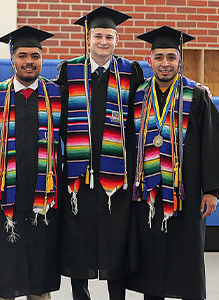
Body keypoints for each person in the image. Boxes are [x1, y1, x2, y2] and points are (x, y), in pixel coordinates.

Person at [126, 26, 219, 300]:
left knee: (187, 259)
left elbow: (211, 144)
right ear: (150, 59)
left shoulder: (197, 96)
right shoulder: (138, 96)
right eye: (159, 57)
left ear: (180, 60)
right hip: (150, 196)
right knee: (151, 259)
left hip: (185, 195)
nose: (165, 63)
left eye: (171, 57)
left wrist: (211, 191)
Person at [54, 6, 145, 300]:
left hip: (116, 174)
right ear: (87, 38)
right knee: (78, 237)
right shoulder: (69, 71)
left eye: (109, 36)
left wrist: (193, 86)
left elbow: (150, 100)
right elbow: (50, 102)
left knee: (115, 239)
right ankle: (80, 295)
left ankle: (116, 296)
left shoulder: (131, 72)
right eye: (98, 36)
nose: (103, 42)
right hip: (79, 175)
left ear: (117, 40)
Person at [0, 26, 63, 300]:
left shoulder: (57, 96)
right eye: (23, 55)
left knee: (40, 276)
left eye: (35, 55)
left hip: (43, 199)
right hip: (5, 199)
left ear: (42, 58)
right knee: (4, 273)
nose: (29, 61)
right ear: (12, 59)